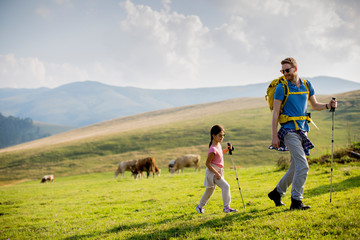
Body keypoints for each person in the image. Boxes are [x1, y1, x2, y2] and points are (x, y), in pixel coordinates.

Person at [268, 57, 337, 210]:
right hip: (288, 130)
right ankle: (296, 201)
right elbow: (275, 113)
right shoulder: (281, 87)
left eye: (287, 70)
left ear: (295, 69)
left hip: (303, 130)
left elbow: (315, 105)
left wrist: (328, 105)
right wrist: (274, 136)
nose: (285, 73)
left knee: (295, 166)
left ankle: (277, 192)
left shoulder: (306, 84)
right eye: (282, 71)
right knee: (303, 166)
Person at [196, 124, 237, 214]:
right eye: (220, 135)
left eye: (223, 135)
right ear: (213, 136)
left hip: (217, 171)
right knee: (226, 186)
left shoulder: (218, 145)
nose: (222, 137)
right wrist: (216, 173)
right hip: (213, 172)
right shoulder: (212, 149)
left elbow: (219, 155)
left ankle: (199, 206)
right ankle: (226, 207)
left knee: (210, 190)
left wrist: (226, 149)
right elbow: (207, 163)